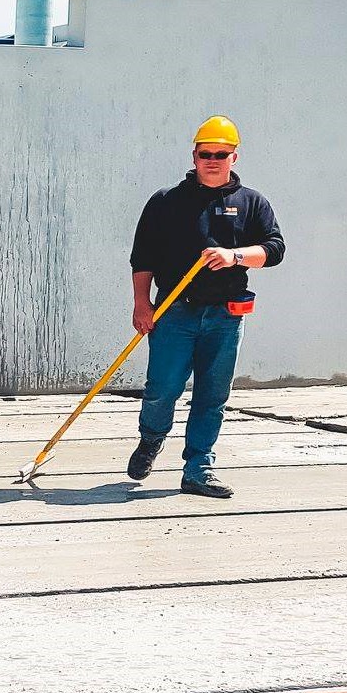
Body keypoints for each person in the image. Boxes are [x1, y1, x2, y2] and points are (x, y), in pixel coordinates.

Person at [126, 115, 284, 498]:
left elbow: (275, 249)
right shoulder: (166, 201)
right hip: (174, 312)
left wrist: (236, 256)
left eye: (221, 154)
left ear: (235, 157)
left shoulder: (251, 203)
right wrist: (141, 304)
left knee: (213, 395)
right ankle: (151, 439)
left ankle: (199, 468)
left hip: (226, 316)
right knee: (163, 388)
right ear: (194, 156)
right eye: (205, 153)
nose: (212, 160)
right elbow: (142, 256)